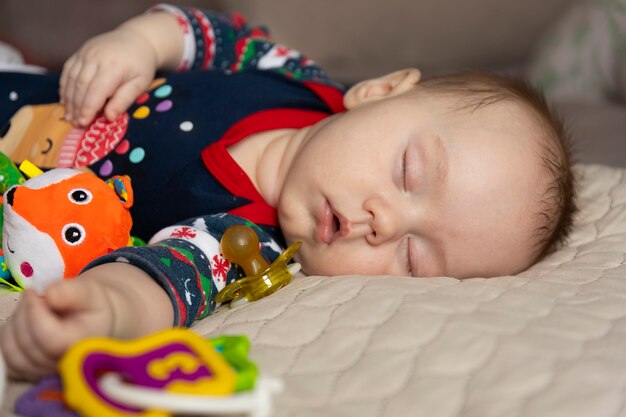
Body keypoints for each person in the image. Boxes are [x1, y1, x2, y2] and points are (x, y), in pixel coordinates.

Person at [0, 4, 576, 380]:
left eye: (413, 257)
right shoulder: (295, 77)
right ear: (379, 91)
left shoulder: (245, 243)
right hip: (33, 88)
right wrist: (138, 43)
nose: (384, 223)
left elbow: (164, 280)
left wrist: (104, 311)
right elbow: (210, 35)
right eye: (408, 172)